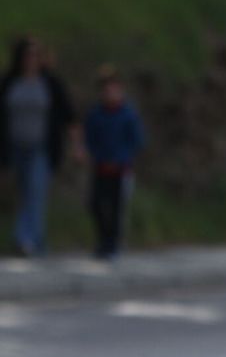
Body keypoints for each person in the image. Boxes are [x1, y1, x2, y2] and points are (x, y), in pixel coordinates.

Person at [0, 36, 77, 257]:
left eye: (36, 55)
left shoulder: (50, 83)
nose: (32, 59)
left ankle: (24, 239)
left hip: (41, 147)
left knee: (35, 190)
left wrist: (77, 145)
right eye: (28, 55)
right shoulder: (9, 82)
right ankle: (38, 239)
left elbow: (69, 116)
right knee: (26, 193)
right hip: (14, 147)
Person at [81, 66, 145, 260]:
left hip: (120, 170)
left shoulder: (128, 114)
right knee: (96, 205)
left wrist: (123, 158)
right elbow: (89, 139)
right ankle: (103, 241)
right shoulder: (96, 115)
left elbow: (137, 141)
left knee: (117, 209)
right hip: (101, 168)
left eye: (113, 90)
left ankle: (113, 244)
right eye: (106, 90)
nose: (110, 94)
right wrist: (92, 154)